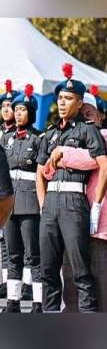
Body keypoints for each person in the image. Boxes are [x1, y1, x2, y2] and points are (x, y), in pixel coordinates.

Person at [36, 63, 107, 312]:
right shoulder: (49, 134)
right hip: (51, 203)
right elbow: (41, 174)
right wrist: (43, 205)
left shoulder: (88, 130)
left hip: (73, 200)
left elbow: (104, 166)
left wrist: (96, 208)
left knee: (80, 269)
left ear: (80, 103)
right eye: (60, 98)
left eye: (69, 98)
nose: (63, 103)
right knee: (47, 269)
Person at [0, 85, 43, 313]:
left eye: (22, 109)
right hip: (10, 203)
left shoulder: (38, 139)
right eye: (15, 109)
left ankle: (37, 302)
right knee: (12, 253)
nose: (17, 113)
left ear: (31, 113)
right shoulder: (6, 138)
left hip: (30, 202)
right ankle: (13, 301)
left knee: (33, 253)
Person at [0, 79, 18, 300]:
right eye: (3, 106)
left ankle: (13, 283)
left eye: (10, 106)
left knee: (13, 244)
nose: (6, 110)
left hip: (12, 193)